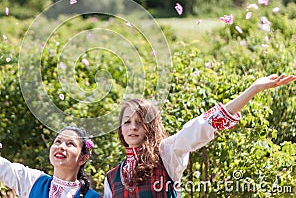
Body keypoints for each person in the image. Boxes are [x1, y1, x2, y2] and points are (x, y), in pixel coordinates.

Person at [103, 74, 296, 197]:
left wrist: (252, 90)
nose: (133, 128)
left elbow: (203, 125)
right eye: (127, 122)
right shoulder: (112, 178)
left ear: (151, 126)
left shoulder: (167, 153)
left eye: (140, 122)